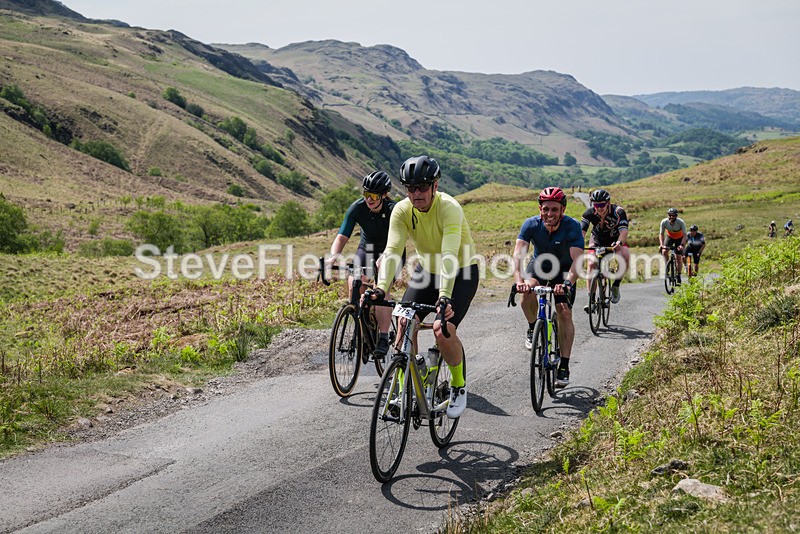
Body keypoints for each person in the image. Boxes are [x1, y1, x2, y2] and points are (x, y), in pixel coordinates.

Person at [369, 156, 478, 419]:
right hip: (427, 271)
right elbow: (393, 249)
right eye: (410, 188)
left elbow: (450, 254)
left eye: (422, 187)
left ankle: (458, 385)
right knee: (405, 322)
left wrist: (444, 297)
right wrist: (382, 288)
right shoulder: (402, 210)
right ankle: (401, 387)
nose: (416, 193)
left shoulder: (449, 208)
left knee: (443, 329)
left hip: (460, 272)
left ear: (435, 186)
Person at [513, 187, 584, 387]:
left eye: (554, 209)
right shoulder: (531, 224)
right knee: (527, 292)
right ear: (540, 208)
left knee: (564, 311)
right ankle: (532, 327)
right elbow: (518, 255)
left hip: (563, 271)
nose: (549, 214)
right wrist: (519, 281)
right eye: (546, 209)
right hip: (540, 267)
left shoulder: (572, 226)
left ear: (562, 209)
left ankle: (564, 364)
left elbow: (577, 262)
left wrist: (568, 283)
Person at [328, 170, 397, 360]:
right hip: (366, 250)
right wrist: (333, 257)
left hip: (391, 251)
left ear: (384, 195)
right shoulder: (357, 208)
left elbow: (399, 238)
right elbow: (342, 235)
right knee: (354, 282)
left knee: (382, 289)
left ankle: (383, 336)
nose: (369, 199)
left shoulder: (394, 210)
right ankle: (363, 324)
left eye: (374, 196)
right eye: (366, 194)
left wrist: (386, 255)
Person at [580, 188, 630, 309]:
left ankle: (616, 285)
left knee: (625, 255)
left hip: (615, 239)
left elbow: (623, 231)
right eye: (596, 205)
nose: (599, 208)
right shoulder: (589, 213)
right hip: (597, 239)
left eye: (602, 204)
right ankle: (591, 300)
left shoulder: (618, 212)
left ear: (608, 203)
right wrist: (578, 244)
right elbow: (581, 232)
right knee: (591, 263)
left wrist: (619, 242)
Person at [659, 208, 688, 285]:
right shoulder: (664, 222)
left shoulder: (681, 222)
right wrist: (661, 245)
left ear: (676, 216)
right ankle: (667, 267)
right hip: (670, 237)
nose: (671, 217)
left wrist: (682, 245)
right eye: (670, 215)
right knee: (664, 251)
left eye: (673, 216)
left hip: (680, 238)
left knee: (678, 256)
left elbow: (685, 235)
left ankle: (678, 275)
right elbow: (661, 234)